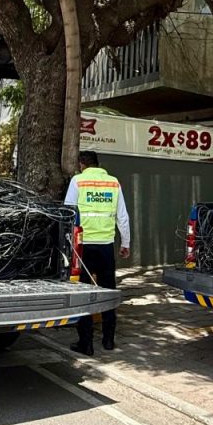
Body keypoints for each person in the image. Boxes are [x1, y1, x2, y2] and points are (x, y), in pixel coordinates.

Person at [64, 150, 130, 355]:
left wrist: (67, 245)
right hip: (106, 246)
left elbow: (68, 213)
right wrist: (125, 243)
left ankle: (87, 344)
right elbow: (123, 216)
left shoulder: (78, 181)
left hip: (83, 246)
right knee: (108, 292)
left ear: (82, 164)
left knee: (84, 293)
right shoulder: (113, 182)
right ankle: (109, 341)